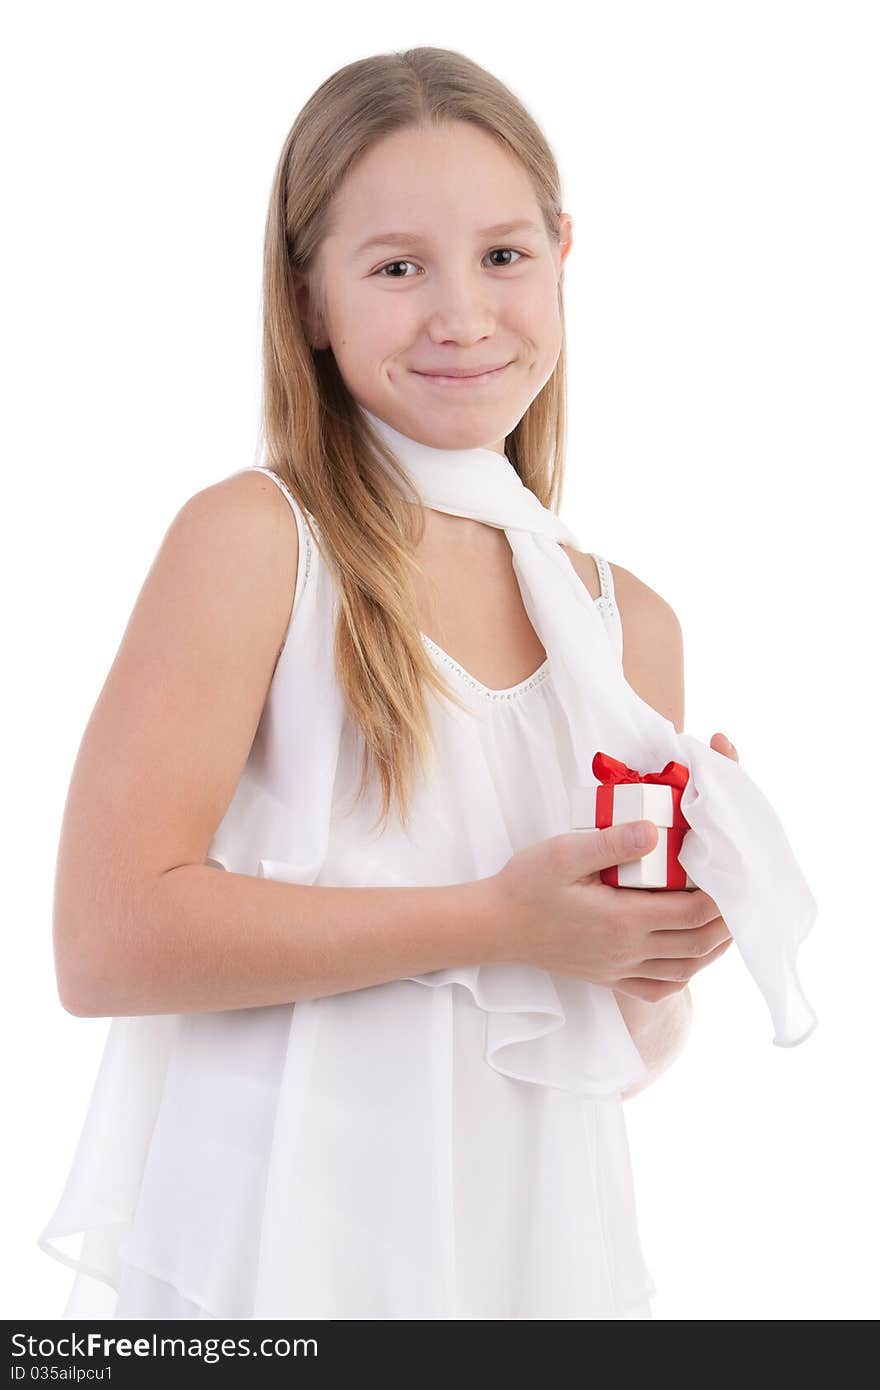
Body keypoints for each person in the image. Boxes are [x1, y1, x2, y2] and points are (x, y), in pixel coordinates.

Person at [41, 46, 754, 1321]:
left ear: (563, 252)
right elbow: (105, 943)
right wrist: (501, 918)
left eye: (501, 255)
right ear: (307, 295)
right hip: (279, 1254)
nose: (463, 315)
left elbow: (582, 1054)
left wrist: (650, 952)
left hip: (530, 1250)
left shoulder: (623, 625)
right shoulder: (261, 543)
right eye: (395, 266)